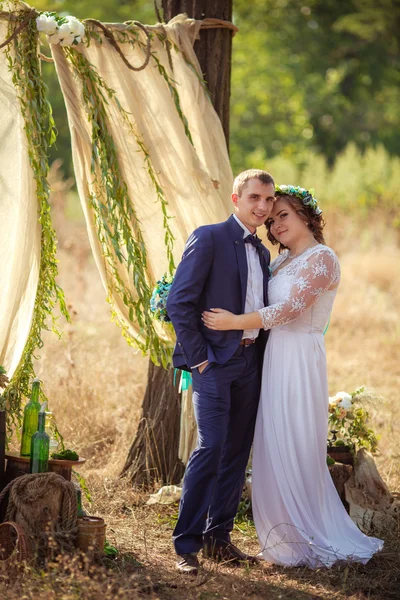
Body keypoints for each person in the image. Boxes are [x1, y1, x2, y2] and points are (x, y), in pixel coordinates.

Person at [202, 185, 383, 568]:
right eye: (271, 220)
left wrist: (235, 322)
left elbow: (290, 310)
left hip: (300, 358)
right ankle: (281, 536)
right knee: (272, 442)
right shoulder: (279, 262)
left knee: (298, 439)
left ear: (305, 214)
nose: (276, 224)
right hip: (271, 358)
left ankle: (309, 532)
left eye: (282, 214)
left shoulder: (323, 259)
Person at [166, 169, 275, 575]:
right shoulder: (209, 237)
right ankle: (185, 545)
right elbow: (179, 303)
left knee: (236, 452)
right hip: (212, 363)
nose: (262, 207)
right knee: (211, 448)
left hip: (250, 362)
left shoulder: (263, 252)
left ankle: (218, 539)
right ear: (236, 199)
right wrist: (200, 360)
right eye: (254, 198)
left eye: (268, 199)